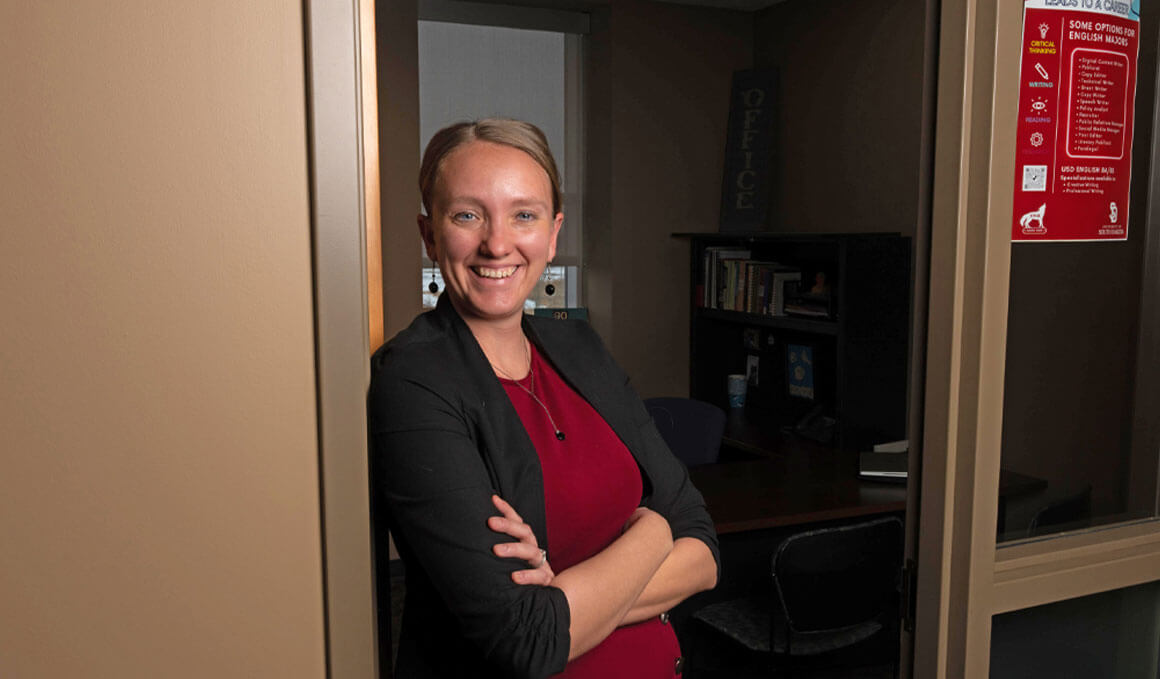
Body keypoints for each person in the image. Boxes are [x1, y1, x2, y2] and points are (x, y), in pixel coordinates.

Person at [368, 118, 719, 679]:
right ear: (430, 235)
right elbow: (526, 637)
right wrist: (655, 530)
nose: (498, 243)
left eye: (524, 215)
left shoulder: (577, 346)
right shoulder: (411, 382)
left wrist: (565, 592)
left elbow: (702, 548)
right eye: (467, 215)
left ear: (553, 234)